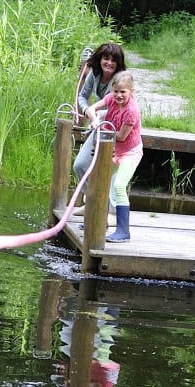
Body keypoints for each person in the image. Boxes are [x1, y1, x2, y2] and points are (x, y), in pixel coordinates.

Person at [81, 71, 143, 242]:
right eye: (116, 91)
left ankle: (123, 232)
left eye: (123, 92)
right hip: (114, 150)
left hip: (130, 152)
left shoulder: (131, 111)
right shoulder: (110, 99)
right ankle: (100, 221)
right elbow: (92, 108)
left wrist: (101, 127)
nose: (119, 95)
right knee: (99, 180)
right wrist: (94, 119)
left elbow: (122, 136)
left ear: (131, 91)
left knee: (119, 185)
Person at [71, 43, 127, 183]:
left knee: (109, 175)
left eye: (114, 60)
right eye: (106, 58)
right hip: (99, 125)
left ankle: (104, 204)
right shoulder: (95, 73)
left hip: (118, 130)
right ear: (100, 59)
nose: (109, 63)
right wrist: (87, 111)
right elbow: (82, 96)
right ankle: (91, 202)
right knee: (80, 166)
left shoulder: (121, 80)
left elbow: (121, 108)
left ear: (118, 63)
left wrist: (97, 115)